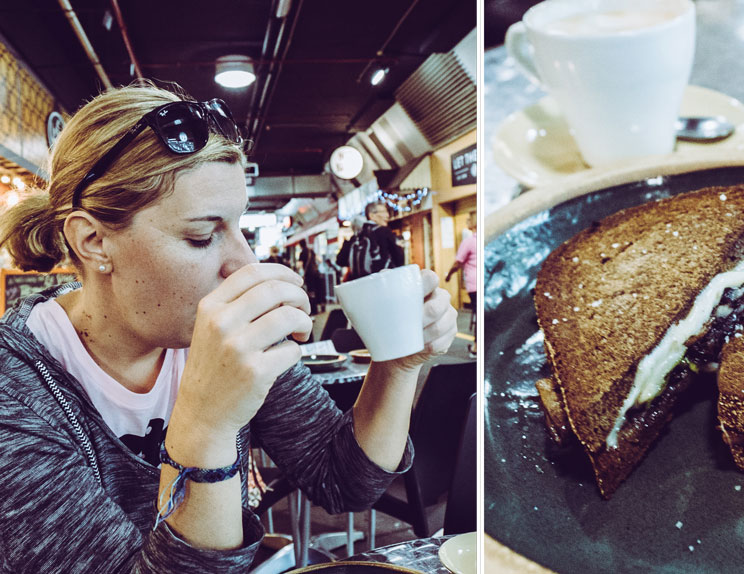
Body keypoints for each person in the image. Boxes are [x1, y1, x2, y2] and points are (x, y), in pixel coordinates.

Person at [0, 83, 457, 573]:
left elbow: (344, 479)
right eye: (202, 236)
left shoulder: (220, 329)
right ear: (92, 240)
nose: (244, 263)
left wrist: (398, 363)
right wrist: (206, 425)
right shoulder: (16, 393)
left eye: (239, 225)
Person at [336, 202, 403, 281]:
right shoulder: (384, 232)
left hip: (361, 283)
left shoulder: (356, 237)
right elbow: (399, 259)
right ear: (371, 216)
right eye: (383, 212)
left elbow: (340, 261)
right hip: (382, 281)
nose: (387, 215)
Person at [445, 210, 477, 355]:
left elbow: (457, 263)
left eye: (469, 219)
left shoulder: (469, 242)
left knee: (478, 314)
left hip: (474, 284)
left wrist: (448, 275)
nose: (467, 222)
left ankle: (476, 348)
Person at [297, 239, 326, 314]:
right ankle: (322, 306)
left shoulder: (302, 253)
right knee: (318, 290)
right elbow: (319, 260)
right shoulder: (311, 251)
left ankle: (314, 309)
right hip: (316, 273)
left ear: (300, 245)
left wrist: (298, 270)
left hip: (309, 275)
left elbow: (299, 265)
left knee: (311, 292)